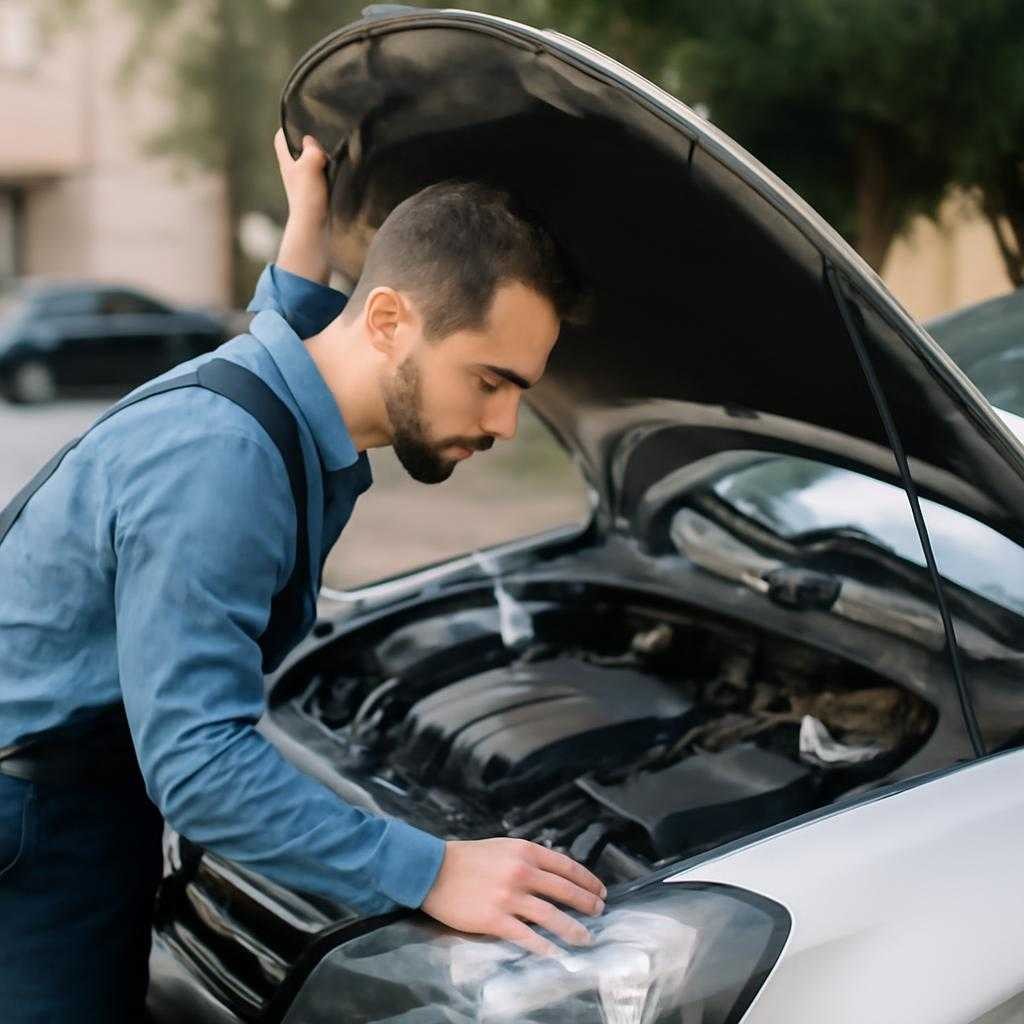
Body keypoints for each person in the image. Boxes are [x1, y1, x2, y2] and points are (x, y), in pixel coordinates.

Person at [0, 130, 603, 1022]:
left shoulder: (289, 382)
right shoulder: (222, 459)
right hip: (34, 822)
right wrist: (432, 870)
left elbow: (287, 318)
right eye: (489, 381)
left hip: (84, 787)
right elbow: (199, 768)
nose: (507, 423)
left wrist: (307, 220)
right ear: (388, 322)